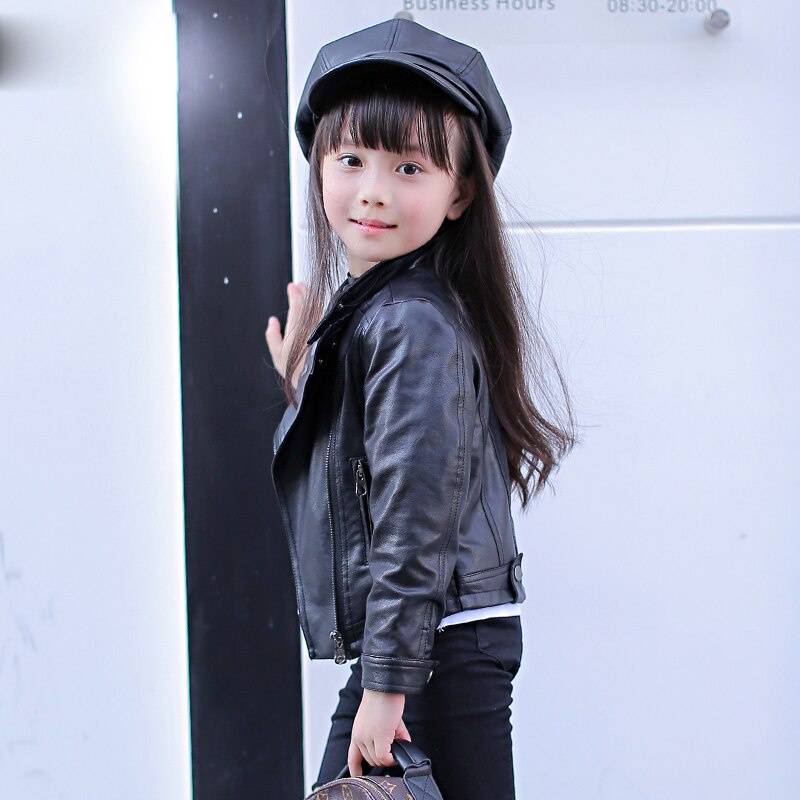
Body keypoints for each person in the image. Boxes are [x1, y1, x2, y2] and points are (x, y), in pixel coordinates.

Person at [265, 17, 575, 799]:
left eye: (408, 166)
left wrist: (387, 680)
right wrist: (306, 378)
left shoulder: (408, 319)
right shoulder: (387, 309)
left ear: (460, 191)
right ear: (319, 167)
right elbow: (376, 470)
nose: (373, 188)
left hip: (430, 649)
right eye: (351, 159)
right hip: (432, 641)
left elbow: (413, 508)